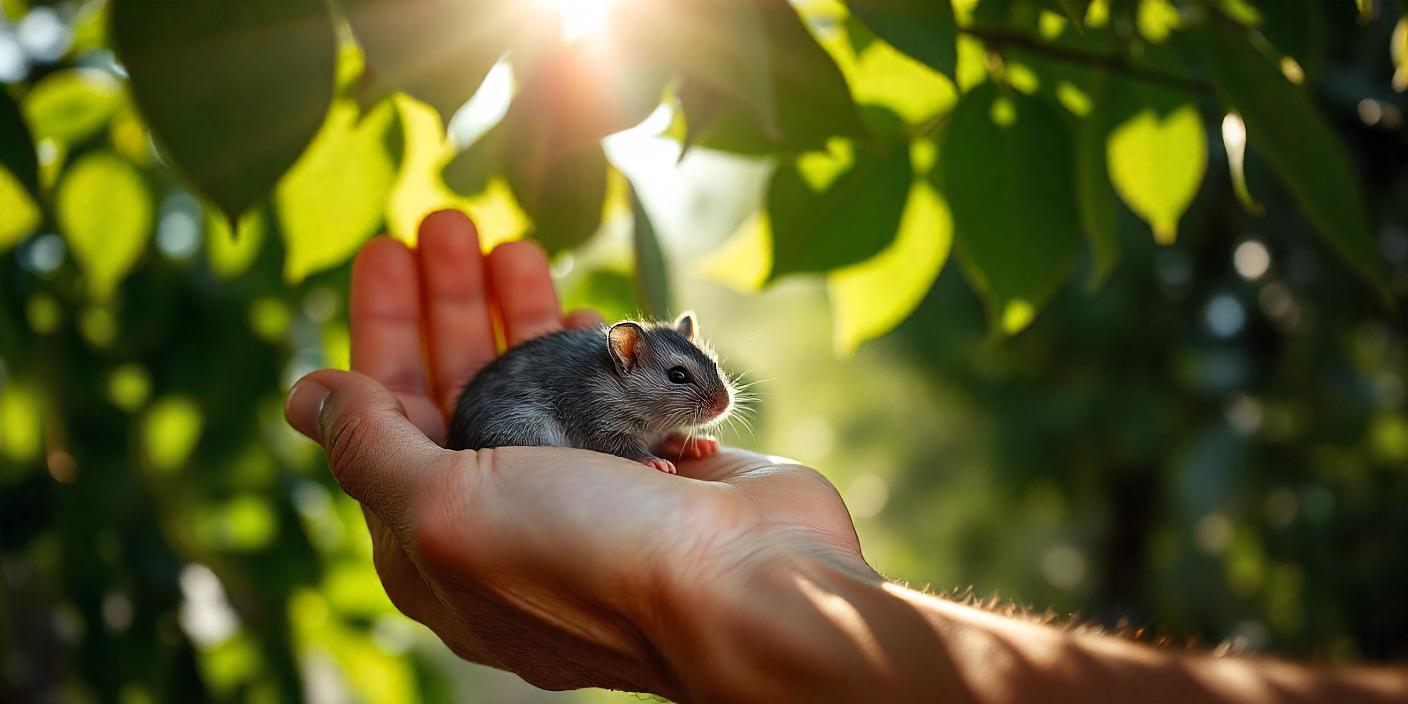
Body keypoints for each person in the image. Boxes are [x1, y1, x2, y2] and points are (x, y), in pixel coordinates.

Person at [284, 211, 1406, 703]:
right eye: (679, 382)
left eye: (704, 380)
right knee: (528, 414)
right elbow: (595, 433)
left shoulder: (645, 401)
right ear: (628, 357)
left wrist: (721, 584)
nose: (708, 398)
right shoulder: (589, 391)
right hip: (522, 419)